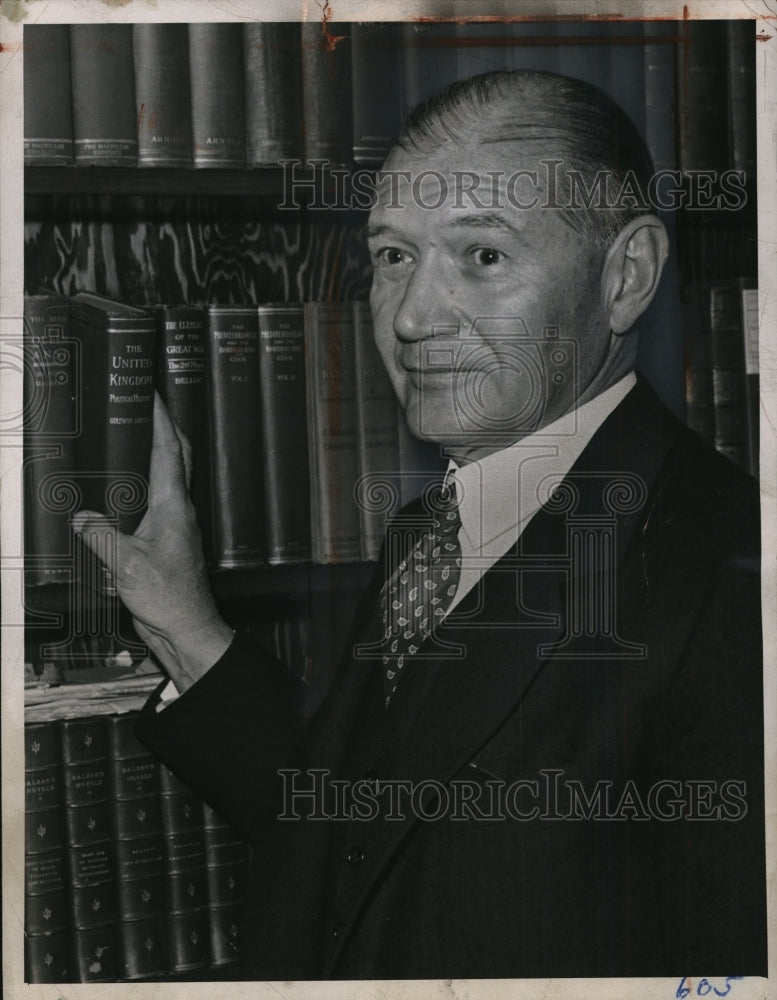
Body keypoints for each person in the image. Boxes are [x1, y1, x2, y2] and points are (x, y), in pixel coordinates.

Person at [73, 70, 766, 979]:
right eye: (393, 256)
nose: (408, 317)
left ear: (624, 277)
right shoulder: (435, 527)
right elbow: (368, 842)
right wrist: (184, 623)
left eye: (481, 256)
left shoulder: (729, 577)